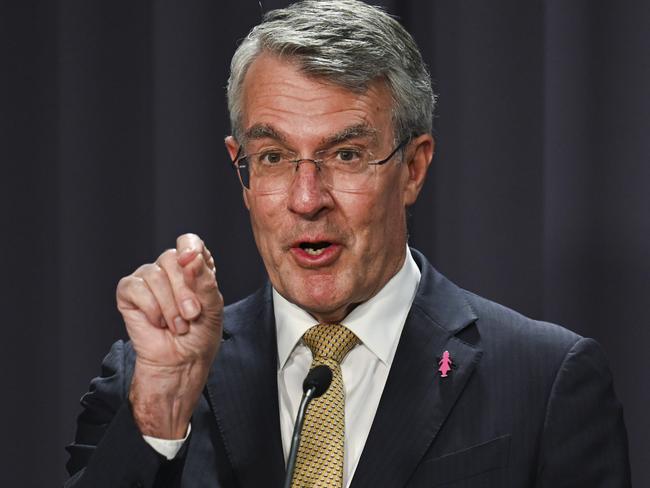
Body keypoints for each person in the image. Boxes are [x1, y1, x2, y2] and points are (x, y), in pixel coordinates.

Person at [64, 1, 631, 487]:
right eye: (274, 158)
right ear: (243, 171)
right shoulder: (150, 377)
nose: (307, 199)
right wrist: (161, 410)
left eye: (346, 155)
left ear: (413, 167)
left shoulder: (545, 380)